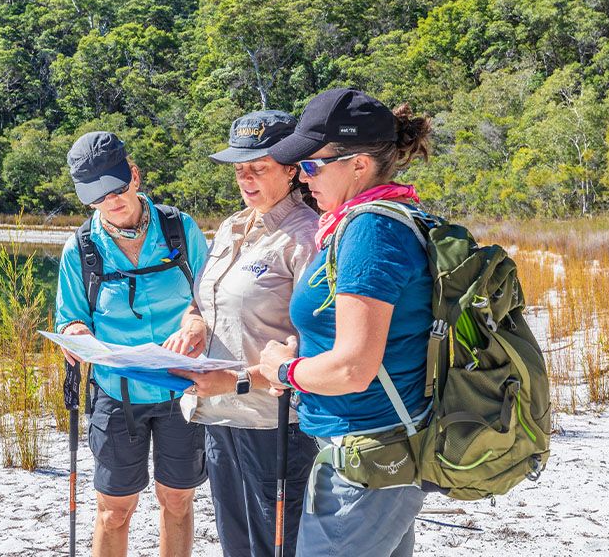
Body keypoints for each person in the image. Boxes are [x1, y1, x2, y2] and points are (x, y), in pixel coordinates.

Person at [258, 88, 433, 556]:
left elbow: (354, 368)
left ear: (359, 164)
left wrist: (284, 371)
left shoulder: (371, 232)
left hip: (368, 459)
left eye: (312, 165)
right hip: (376, 453)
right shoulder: (372, 221)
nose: (302, 178)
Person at [164, 110, 319, 556]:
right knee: (236, 545)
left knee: (279, 546)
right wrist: (194, 321)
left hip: (275, 423)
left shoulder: (307, 237)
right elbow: (205, 300)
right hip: (218, 414)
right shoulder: (233, 225)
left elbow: (312, 347)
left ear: (292, 169)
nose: (246, 178)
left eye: (259, 168)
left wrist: (234, 381)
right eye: (239, 169)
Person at [54, 131, 209, 557]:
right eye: (97, 196)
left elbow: (212, 296)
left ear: (135, 176)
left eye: (117, 188)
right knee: (114, 510)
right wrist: (75, 334)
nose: (111, 201)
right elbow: (70, 318)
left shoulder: (180, 230)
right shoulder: (81, 249)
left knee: (176, 499)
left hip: (181, 387)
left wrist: (196, 319)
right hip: (115, 392)